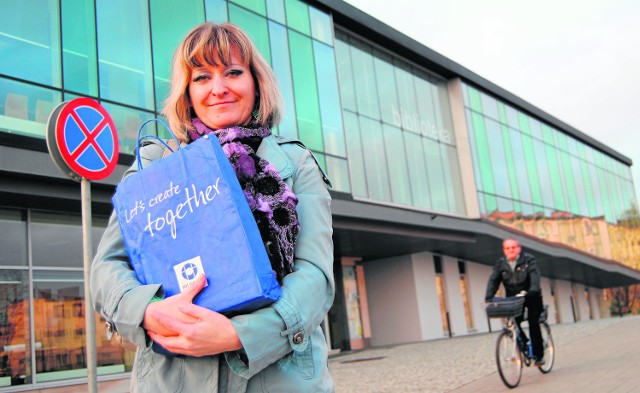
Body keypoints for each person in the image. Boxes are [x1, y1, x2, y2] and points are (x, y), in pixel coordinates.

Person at [91, 22, 335, 392]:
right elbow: (107, 268)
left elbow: (315, 276)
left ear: (256, 82)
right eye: (202, 77)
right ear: (187, 92)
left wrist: (239, 335)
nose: (218, 89)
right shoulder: (154, 163)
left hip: (278, 379)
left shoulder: (294, 163)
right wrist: (149, 310)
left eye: (233, 72)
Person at [485, 238, 545, 366]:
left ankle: (539, 355)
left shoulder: (529, 260)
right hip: (514, 298)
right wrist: (489, 296)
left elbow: (535, 275)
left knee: (533, 322)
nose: (510, 250)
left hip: (531, 296)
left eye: (513, 247)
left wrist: (533, 290)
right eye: (507, 248)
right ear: (504, 250)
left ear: (519, 248)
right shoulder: (501, 263)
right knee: (514, 322)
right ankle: (524, 343)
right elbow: (494, 280)